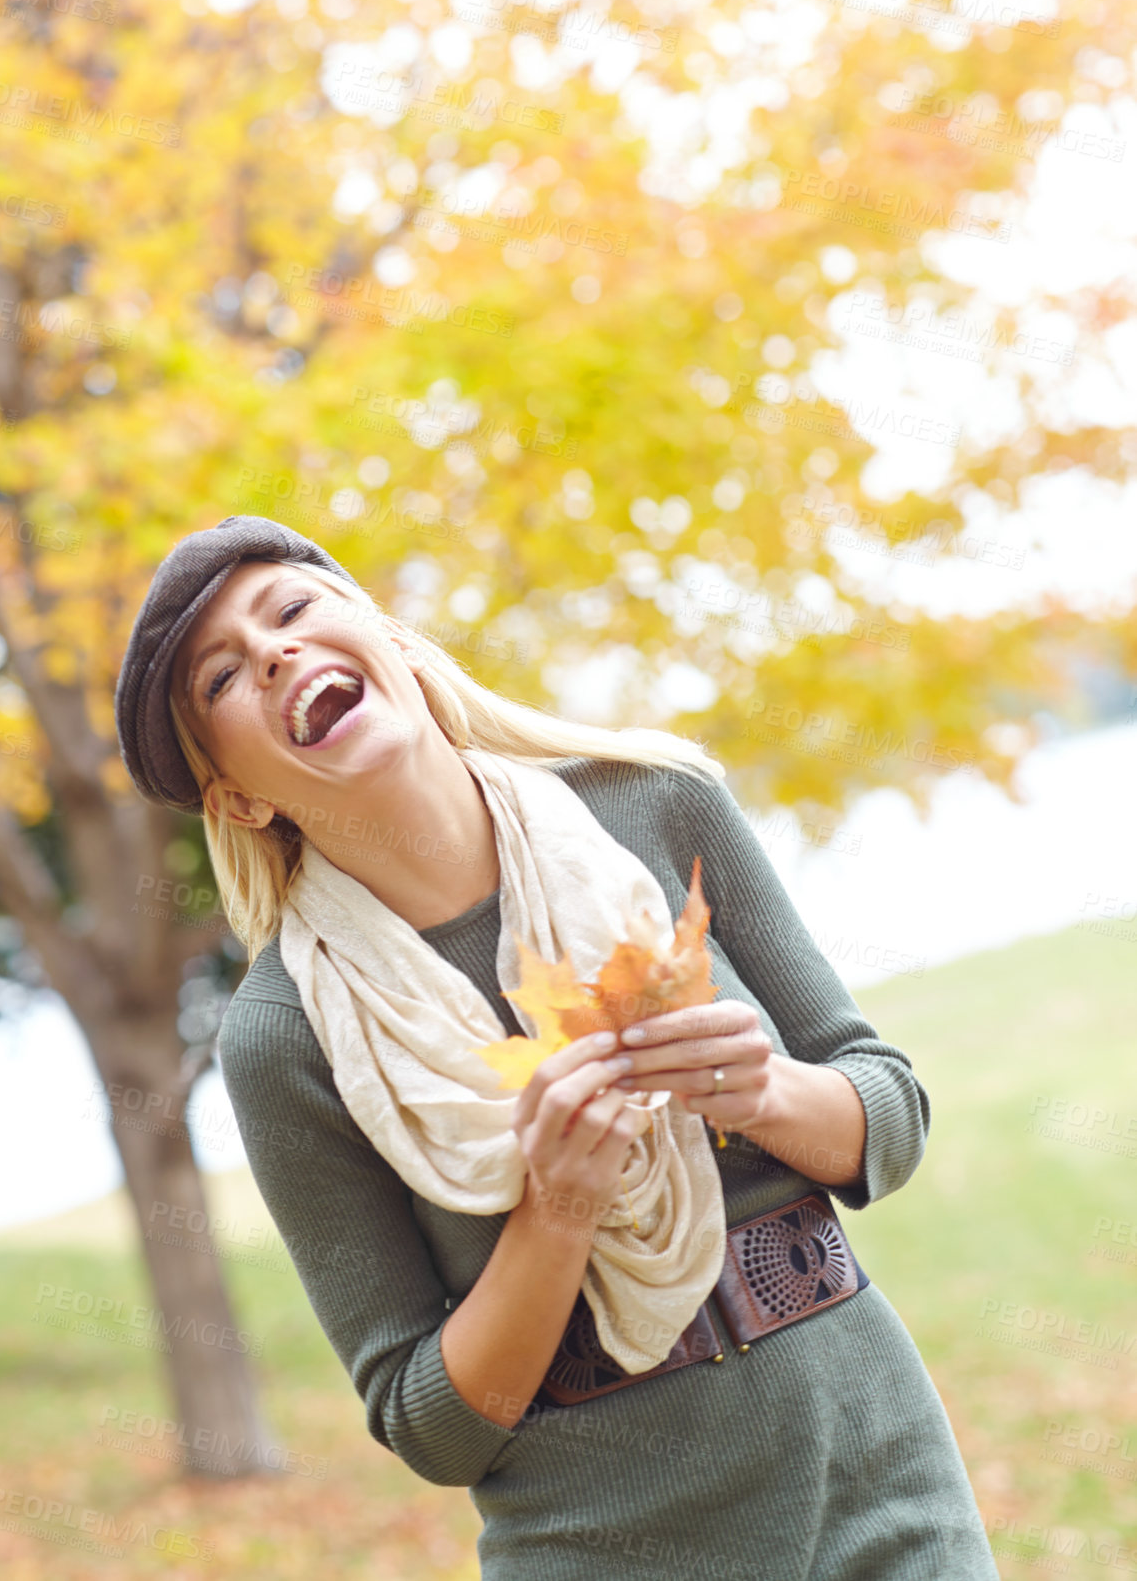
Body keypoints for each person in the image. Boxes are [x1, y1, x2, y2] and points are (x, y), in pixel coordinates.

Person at [113, 514, 1000, 1580]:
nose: (273, 652)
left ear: (386, 639)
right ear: (239, 796)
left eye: (292, 610)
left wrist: (760, 1091)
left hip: (881, 1481)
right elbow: (429, 1424)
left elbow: (888, 1116)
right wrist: (558, 1208)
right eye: (223, 677)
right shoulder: (282, 1036)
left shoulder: (655, 803)